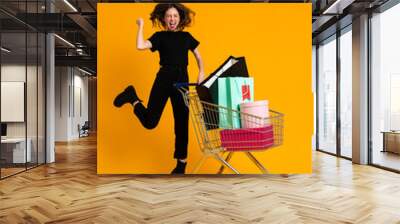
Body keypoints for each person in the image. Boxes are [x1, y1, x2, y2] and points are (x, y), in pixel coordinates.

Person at [113, 3, 205, 174]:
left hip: (182, 83)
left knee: (182, 124)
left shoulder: (187, 37)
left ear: (180, 18)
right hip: (163, 79)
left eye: (175, 16)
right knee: (150, 122)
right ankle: (132, 97)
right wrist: (140, 26)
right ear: (164, 18)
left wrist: (202, 72)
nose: (172, 19)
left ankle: (181, 165)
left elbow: (198, 56)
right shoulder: (160, 37)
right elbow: (140, 45)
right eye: (169, 16)